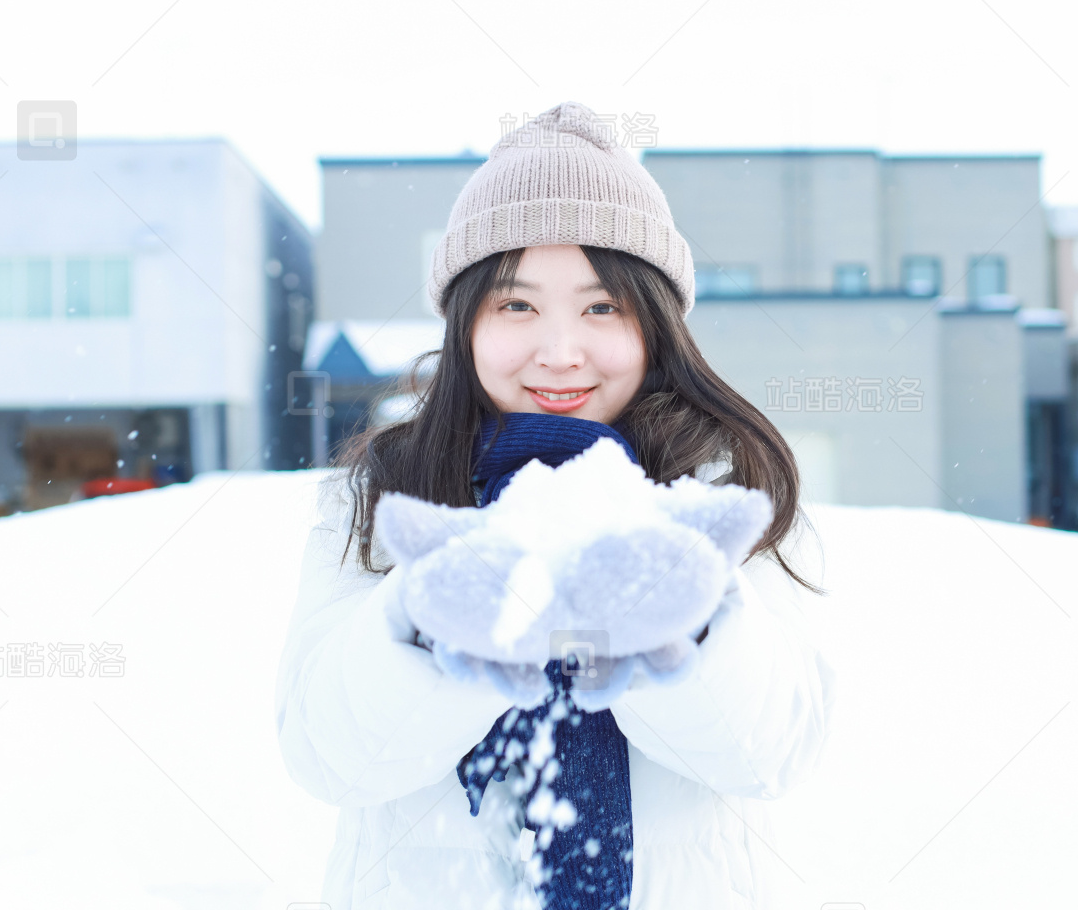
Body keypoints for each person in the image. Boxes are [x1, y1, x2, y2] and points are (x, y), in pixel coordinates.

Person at [275, 102, 836, 909]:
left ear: (657, 325)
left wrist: (678, 611)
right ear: (467, 323)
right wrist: (436, 616)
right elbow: (329, 758)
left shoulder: (725, 491)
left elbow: (771, 754)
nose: (560, 351)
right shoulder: (386, 497)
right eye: (516, 305)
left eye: (603, 306)